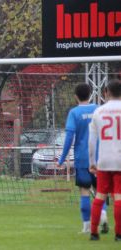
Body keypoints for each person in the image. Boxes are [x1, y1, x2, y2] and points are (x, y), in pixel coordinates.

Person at [57, 83, 108, 234]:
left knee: (85, 191)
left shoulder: (74, 113)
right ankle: (103, 215)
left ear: (75, 96)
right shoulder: (98, 110)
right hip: (100, 158)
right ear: (91, 94)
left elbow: (69, 137)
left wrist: (62, 159)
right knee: (100, 191)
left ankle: (86, 226)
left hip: (82, 159)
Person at [88, 80, 121, 241]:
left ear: (106, 92)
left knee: (100, 195)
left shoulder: (99, 112)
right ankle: (119, 234)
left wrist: (92, 162)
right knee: (119, 197)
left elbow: (92, 141)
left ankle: (94, 233)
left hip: (104, 159)